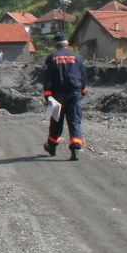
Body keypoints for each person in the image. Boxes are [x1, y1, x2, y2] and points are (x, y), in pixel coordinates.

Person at [41, 32, 87, 161]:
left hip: (57, 95)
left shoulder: (52, 58)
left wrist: (47, 95)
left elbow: (47, 78)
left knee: (56, 121)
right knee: (74, 121)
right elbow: (83, 75)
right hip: (75, 93)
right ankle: (75, 149)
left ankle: (52, 146)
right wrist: (82, 91)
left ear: (55, 44)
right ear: (67, 43)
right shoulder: (77, 57)